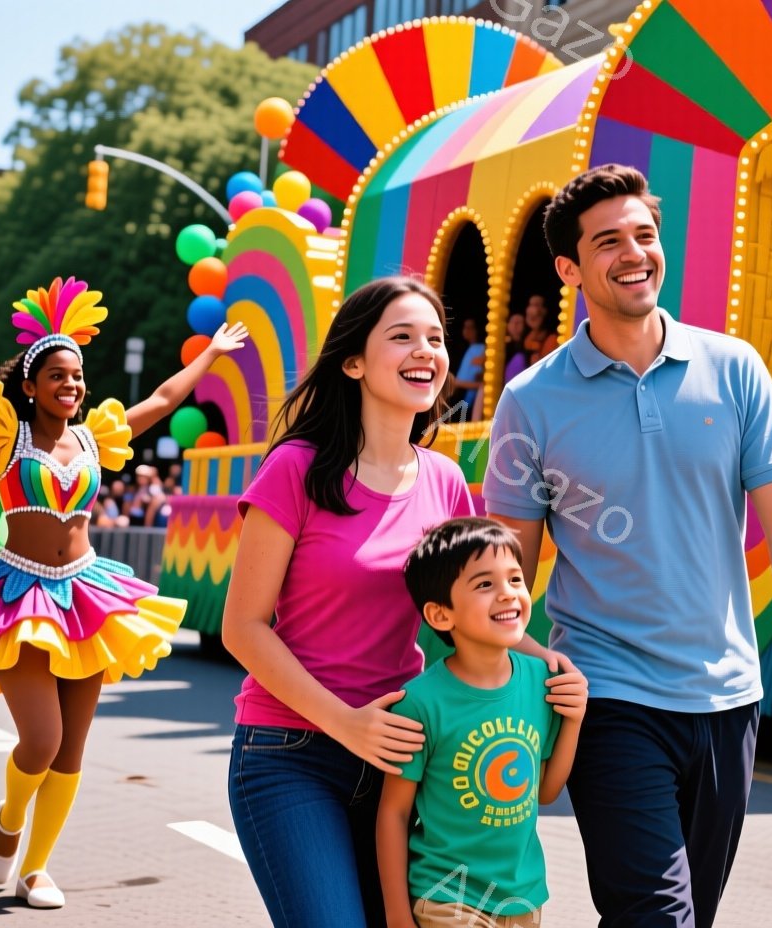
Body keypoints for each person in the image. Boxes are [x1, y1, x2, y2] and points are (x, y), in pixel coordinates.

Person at [484, 164, 772, 927]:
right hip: (605, 698)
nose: (634, 253)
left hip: (726, 697)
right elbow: (507, 562)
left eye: (644, 235)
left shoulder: (735, 369)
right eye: (608, 241)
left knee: (690, 916)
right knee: (656, 917)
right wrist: (497, 683)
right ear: (570, 268)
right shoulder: (532, 400)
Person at [0, 246, 247, 908]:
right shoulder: (3, 433)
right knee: (40, 741)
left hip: (86, 595)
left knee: (72, 750)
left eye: (77, 375)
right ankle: (11, 816)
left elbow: (163, 398)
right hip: (17, 594)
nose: (71, 385)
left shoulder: (96, 439)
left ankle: (36, 869)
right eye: (57, 375)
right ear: (31, 384)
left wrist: (213, 352)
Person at [222, 277, 538, 927]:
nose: (425, 351)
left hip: (406, 755)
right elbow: (243, 628)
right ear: (354, 361)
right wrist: (345, 722)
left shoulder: (446, 480)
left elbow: (475, 618)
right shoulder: (296, 468)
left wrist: (553, 670)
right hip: (290, 756)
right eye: (402, 337)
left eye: (435, 338)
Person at [377, 517, 587, 928]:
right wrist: (397, 915)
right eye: (485, 584)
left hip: (521, 897)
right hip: (446, 895)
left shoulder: (541, 682)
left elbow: (545, 791)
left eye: (514, 579)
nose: (508, 594)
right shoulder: (420, 704)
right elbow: (393, 814)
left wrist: (574, 719)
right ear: (440, 615)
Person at [450, 316, 487, 414]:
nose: (466, 330)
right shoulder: (466, 348)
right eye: (465, 327)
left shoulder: (479, 348)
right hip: (461, 400)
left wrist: (456, 382)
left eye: (470, 327)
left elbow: (477, 380)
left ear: (477, 330)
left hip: (468, 403)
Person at [522, 294, 559, 364]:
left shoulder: (552, 338)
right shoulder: (524, 336)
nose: (533, 310)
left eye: (536, 305)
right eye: (530, 305)